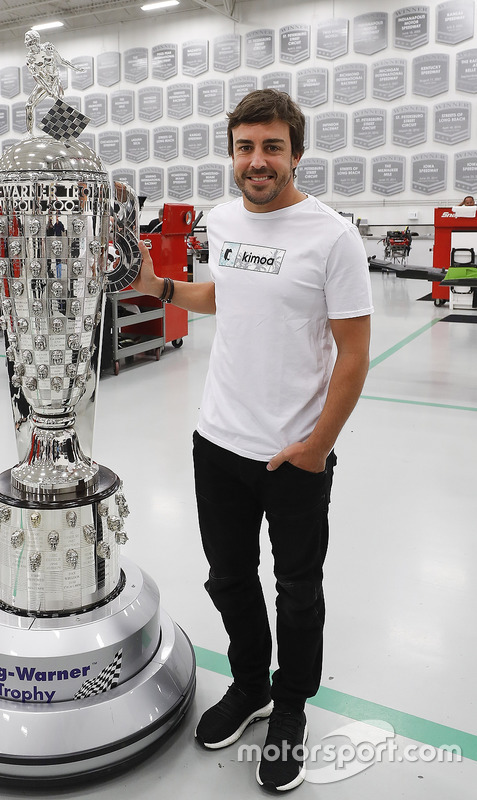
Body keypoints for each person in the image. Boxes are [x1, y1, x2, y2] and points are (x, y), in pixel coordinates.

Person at [132, 89, 373, 793]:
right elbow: (225, 294)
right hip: (218, 440)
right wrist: (166, 286)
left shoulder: (330, 235)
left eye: (271, 147)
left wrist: (316, 445)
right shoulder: (223, 219)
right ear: (231, 153)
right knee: (227, 578)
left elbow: (353, 352)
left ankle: (290, 707)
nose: (257, 161)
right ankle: (249, 686)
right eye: (245, 147)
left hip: (294, 453)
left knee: (297, 590)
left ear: (295, 153)